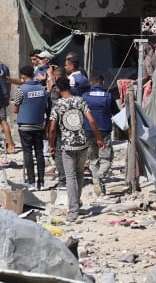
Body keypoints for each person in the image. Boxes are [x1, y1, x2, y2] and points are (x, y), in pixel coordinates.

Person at [48, 76, 104, 220]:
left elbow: (53, 128)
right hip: (83, 144)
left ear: (58, 89)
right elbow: (91, 120)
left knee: (70, 177)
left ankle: (73, 211)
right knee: (79, 174)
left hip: (67, 146)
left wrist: (52, 145)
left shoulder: (58, 105)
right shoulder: (80, 100)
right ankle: (76, 204)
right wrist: (98, 138)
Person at [12, 64, 49, 189]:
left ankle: (31, 182)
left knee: (27, 153)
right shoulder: (42, 89)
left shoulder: (21, 89)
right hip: (39, 125)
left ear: (22, 76)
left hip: (25, 126)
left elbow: (15, 108)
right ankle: (41, 182)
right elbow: (45, 106)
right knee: (39, 153)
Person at [85, 75, 114, 196]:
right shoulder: (108, 96)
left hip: (88, 130)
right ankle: (99, 176)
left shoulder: (85, 96)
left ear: (91, 83)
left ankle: (99, 188)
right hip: (104, 130)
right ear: (103, 82)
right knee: (106, 158)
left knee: (93, 159)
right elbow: (115, 111)